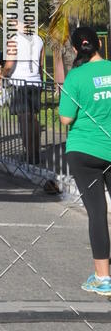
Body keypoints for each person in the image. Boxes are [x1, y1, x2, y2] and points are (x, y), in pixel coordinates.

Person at [59, 26, 111, 296]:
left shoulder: (75, 77)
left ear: (77, 49)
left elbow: (66, 119)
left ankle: (103, 278)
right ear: (100, 43)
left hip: (84, 151)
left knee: (97, 213)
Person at [1, 22, 44, 163]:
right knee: (34, 118)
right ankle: (36, 152)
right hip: (36, 82)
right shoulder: (38, 40)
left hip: (20, 84)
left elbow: (9, 65)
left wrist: (2, 74)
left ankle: (29, 154)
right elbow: (41, 66)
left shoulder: (14, 40)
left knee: (24, 119)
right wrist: (41, 82)